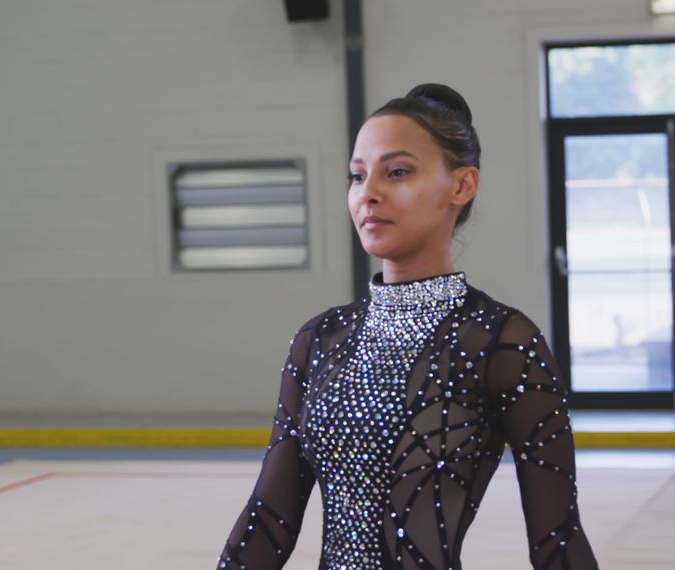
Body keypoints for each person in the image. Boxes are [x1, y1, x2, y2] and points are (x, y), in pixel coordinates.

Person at [217, 83, 598, 569]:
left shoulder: (502, 342)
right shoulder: (318, 341)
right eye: (357, 176)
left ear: (461, 186)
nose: (368, 194)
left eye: (397, 172)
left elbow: (557, 539)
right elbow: (268, 519)